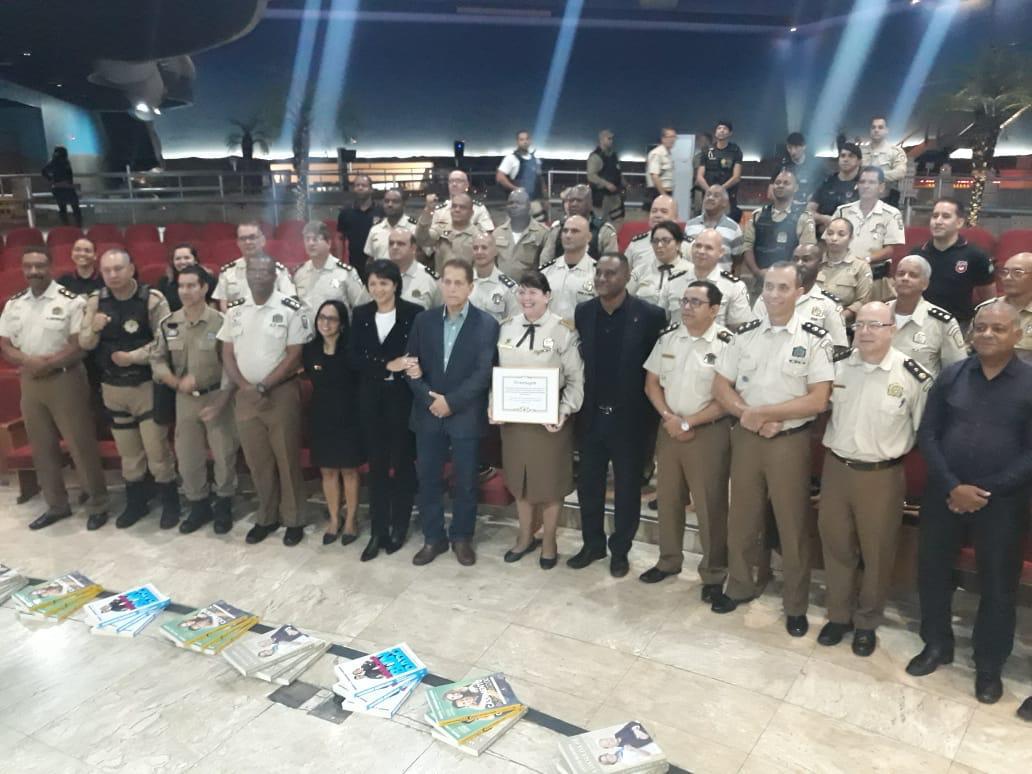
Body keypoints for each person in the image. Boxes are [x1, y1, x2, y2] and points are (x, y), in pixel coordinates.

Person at [907, 300, 1032, 705]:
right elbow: (928, 434)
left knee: (998, 587)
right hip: (945, 494)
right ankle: (937, 645)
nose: (987, 335)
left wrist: (986, 492)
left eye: (998, 329)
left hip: (1004, 503)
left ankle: (989, 666)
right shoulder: (952, 375)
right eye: (981, 328)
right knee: (933, 573)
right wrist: (952, 485)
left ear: (1017, 334)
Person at [710, 261, 834, 637]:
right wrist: (748, 414)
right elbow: (721, 386)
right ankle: (741, 585)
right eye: (769, 287)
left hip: (789, 443)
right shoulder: (743, 335)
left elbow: (817, 401)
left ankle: (795, 604)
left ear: (799, 293)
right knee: (742, 518)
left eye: (783, 288)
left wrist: (764, 412)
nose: (775, 294)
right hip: (747, 439)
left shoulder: (815, 339)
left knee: (792, 524)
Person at [817, 302, 931, 657]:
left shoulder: (913, 377)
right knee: (836, 547)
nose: (865, 332)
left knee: (877, 553)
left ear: (892, 329)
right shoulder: (836, 368)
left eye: (875, 325)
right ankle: (838, 615)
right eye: (860, 325)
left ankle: (866, 622)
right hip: (836, 469)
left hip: (881, 476)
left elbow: (924, 432)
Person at [569, 253, 666, 577]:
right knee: (589, 486)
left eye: (610, 274)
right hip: (593, 416)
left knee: (627, 490)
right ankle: (592, 544)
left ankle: (620, 550)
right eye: (598, 273)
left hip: (631, 421)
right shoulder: (584, 313)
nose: (602, 279)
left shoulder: (650, 316)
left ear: (626, 277)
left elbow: (656, 370)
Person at [0, 246, 109, 530]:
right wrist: (29, 362)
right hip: (30, 383)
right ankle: (57, 505)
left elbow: (78, 345)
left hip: (66, 380)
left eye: (39, 266)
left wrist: (46, 363)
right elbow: (4, 344)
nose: (34, 272)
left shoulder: (70, 301)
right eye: (28, 266)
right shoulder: (14, 304)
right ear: (23, 269)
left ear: (51, 267)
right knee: (42, 447)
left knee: (80, 444)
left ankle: (97, 503)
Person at [404, 259, 499, 567]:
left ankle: (461, 537)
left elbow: (483, 373)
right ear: (440, 284)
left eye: (459, 282)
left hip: (464, 413)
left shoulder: (486, 324)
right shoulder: (424, 320)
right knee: (428, 478)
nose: (452, 288)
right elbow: (411, 365)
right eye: (447, 281)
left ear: (471, 287)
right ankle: (434, 538)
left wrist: (451, 402)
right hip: (428, 410)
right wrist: (430, 398)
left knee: (466, 481)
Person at [640, 280, 732, 597]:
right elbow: (651, 383)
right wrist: (669, 417)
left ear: (715, 309)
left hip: (707, 433)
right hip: (669, 430)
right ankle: (668, 560)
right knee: (667, 499)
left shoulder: (727, 344)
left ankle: (713, 573)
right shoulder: (669, 339)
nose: (687, 307)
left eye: (695, 302)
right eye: (685, 301)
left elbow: (729, 398)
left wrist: (689, 422)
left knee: (709, 505)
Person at [79, 248, 178, 529]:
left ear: (131, 269)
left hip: (146, 385)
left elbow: (167, 339)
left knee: (157, 452)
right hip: (112, 387)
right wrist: (94, 327)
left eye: (118, 269)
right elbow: (85, 343)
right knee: (129, 454)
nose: (113, 275)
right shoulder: (96, 301)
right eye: (107, 270)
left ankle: (171, 504)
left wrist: (132, 357)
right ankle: (136, 504)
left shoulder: (152, 299)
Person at [218, 254, 312, 546]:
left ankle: (294, 519)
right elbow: (227, 353)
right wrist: (245, 386)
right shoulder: (234, 310)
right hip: (245, 396)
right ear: (246, 274)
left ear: (275, 275)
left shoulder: (290, 308)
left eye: (264, 271)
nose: (258, 275)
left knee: (286, 458)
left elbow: (295, 353)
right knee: (258, 462)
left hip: (280, 393)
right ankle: (266, 517)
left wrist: (264, 385)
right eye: (253, 270)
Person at [495, 270, 584, 569]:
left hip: (550, 424)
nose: (526, 297)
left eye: (533, 292)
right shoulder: (506, 328)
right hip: (515, 424)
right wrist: (494, 406)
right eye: (522, 291)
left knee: (549, 485)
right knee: (520, 483)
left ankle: (549, 541)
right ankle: (524, 536)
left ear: (548, 296)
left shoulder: (562, 330)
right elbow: (498, 376)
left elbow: (575, 380)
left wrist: (563, 411)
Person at [150, 266, 239, 534]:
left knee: (224, 454)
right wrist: (176, 382)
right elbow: (157, 360)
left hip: (217, 396)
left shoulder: (221, 322)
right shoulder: (169, 323)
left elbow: (230, 364)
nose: (185, 291)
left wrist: (222, 399)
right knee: (188, 457)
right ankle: (198, 505)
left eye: (191, 286)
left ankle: (223, 505)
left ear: (204, 288)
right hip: (184, 399)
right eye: (181, 286)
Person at [349, 260, 422, 560]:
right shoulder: (361, 314)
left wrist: (403, 366)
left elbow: (418, 353)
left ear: (395, 284)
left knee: (402, 463)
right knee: (377, 465)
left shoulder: (414, 313)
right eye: (373, 283)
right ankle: (377, 530)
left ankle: (399, 526)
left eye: (384, 283)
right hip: (371, 398)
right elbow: (353, 357)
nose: (378, 289)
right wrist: (385, 365)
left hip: (402, 398)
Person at [302, 300, 364, 547]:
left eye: (331, 319)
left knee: (348, 470)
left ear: (341, 324)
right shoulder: (310, 349)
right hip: (321, 415)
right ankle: (334, 519)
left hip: (349, 416)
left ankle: (351, 520)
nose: (325, 323)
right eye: (321, 318)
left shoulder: (351, 349)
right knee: (327, 470)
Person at [911, 197, 996, 329]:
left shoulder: (976, 255)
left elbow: (989, 300)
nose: (938, 221)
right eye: (935, 216)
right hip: (920, 323)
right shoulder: (917, 254)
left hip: (958, 325)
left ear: (959, 222)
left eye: (945, 216)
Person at [753, 244, 849, 350]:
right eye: (795, 259)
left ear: (820, 265)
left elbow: (838, 347)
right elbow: (751, 337)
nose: (799, 264)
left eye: (806, 259)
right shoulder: (769, 298)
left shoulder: (829, 305)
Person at [832, 166, 905, 302]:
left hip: (874, 277)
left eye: (871, 182)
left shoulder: (891, 214)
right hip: (841, 275)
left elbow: (891, 249)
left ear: (881, 187)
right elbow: (829, 241)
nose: (866, 186)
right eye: (862, 182)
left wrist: (865, 260)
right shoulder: (842, 211)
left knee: (873, 319)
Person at [889, 255, 967, 375]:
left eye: (913, 275)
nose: (905, 278)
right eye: (901, 274)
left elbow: (956, 371)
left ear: (925, 284)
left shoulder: (942, 322)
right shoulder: (877, 314)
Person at [666, 228, 754, 329]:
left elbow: (739, 329)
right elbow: (661, 319)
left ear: (721, 252)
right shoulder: (673, 282)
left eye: (708, 248)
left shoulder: (734, 287)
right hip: (677, 343)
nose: (701, 251)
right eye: (697, 246)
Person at [742, 168, 816, 285]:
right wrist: (757, 272)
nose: (780, 185)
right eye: (777, 183)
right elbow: (747, 247)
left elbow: (806, 254)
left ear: (796, 188)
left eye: (786, 183)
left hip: (790, 282)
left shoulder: (804, 218)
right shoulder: (758, 215)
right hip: (760, 281)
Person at [212, 221, 296, 311]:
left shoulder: (278, 271)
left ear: (262, 240)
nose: (248, 242)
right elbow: (224, 306)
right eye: (243, 239)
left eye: (252, 237)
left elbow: (289, 303)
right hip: (238, 322)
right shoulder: (227, 272)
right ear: (238, 243)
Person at [292, 220, 369, 317]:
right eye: (307, 239)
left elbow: (362, 307)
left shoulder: (345, 273)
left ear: (328, 243)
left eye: (315, 239)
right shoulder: (300, 273)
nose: (310, 243)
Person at [816, 217, 873, 325]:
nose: (834, 238)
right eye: (830, 233)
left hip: (843, 324)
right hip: (813, 320)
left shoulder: (861, 267)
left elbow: (862, 301)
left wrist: (839, 317)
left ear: (850, 238)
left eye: (841, 234)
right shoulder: (815, 263)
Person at [978, 251, 1032, 364]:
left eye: (1017, 273)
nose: (1007, 278)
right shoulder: (986, 309)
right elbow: (970, 349)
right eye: (1004, 272)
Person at [540, 215, 597, 319]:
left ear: (588, 237)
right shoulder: (545, 272)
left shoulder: (598, 273)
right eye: (565, 231)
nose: (568, 235)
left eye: (575, 231)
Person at [540, 185, 618, 261]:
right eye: (571, 200)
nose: (574, 204)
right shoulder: (557, 228)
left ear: (590, 204)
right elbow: (545, 260)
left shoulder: (604, 230)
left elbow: (611, 264)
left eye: (579, 200)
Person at [627, 220, 692, 311]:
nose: (659, 245)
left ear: (678, 244)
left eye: (666, 240)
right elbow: (624, 298)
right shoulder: (641, 270)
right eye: (655, 241)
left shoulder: (690, 271)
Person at [416, 192, 483, 273]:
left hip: (465, 283)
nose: (457, 210)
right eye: (454, 206)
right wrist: (428, 210)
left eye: (462, 207)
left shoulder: (478, 237)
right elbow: (421, 239)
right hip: (442, 283)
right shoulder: (441, 228)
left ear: (471, 213)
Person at [682, 186, 744, 272]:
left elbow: (738, 261)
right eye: (708, 195)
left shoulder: (734, 228)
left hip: (721, 282)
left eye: (716, 196)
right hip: (692, 280)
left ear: (725, 203)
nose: (710, 198)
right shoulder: (690, 225)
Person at [493, 188, 549, 281]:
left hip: (528, 290)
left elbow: (546, 267)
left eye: (518, 203)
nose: (514, 206)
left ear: (528, 206)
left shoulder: (542, 233)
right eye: (510, 203)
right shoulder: (498, 233)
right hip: (501, 289)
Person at [696, 121, 744, 221]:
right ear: (715, 132)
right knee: (706, 223)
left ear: (730, 133)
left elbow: (736, 177)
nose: (721, 131)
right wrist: (710, 191)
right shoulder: (707, 150)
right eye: (719, 128)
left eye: (725, 129)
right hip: (708, 194)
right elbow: (700, 176)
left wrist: (720, 190)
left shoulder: (735, 150)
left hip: (727, 195)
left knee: (726, 223)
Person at [625, 195, 687, 271]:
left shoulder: (687, 245)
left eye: (664, 211)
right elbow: (624, 274)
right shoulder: (636, 244)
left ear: (676, 218)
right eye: (654, 211)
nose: (657, 215)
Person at [809, 143, 862, 231]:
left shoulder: (864, 184)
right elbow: (809, 211)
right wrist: (824, 219)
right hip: (821, 234)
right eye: (842, 156)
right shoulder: (828, 182)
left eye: (851, 156)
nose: (846, 159)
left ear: (859, 161)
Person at [496, 130, 547, 220]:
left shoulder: (535, 160)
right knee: (516, 230)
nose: (525, 142)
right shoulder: (511, 158)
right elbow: (500, 177)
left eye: (527, 139)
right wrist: (515, 188)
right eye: (522, 139)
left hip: (535, 203)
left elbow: (540, 180)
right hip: (517, 203)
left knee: (539, 230)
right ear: (517, 142)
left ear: (530, 141)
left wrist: (545, 199)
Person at [469, 232, 519, 323]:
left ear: (495, 251)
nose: (479, 252)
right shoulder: (462, 283)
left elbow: (515, 322)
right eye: (475, 248)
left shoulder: (508, 287)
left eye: (484, 247)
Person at [388, 227, 441, 310]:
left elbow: (441, 314)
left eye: (400, 244)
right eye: (391, 243)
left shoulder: (430, 279)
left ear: (413, 248)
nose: (394, 247)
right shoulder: (377, 275)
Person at [861, 116, 908, 207]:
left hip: (887, 199)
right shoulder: (861, 151)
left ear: (886, 130)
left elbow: (900, 172)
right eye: (873, 127)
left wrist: (877, 176)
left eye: (880, 127)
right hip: (862, 198)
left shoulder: (895, 151)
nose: (876, 130)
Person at [363, 187, 417, 265]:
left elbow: (423, 258)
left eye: (395, 201)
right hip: (380, 275)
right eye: (386, 201)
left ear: (404, 203)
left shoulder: (414, 228)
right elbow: (370, 259)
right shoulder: (375, 229)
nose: (390, 205)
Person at [430, 169, 495, 233]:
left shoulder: (479, 209)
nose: (454, 184)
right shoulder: (440, 211)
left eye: (458, 181)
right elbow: (431, 236)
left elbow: (488, 233)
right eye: (451, 181)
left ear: (467, 185)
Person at [337, 173, 382, 263]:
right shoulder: (346, 211)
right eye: (357, 185)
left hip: (378, 262)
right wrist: (340, 260)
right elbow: (340, 238)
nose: (360, 188)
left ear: (371, 189)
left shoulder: (381, 210)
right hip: (354, 262)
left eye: (364, 185)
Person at [156, 243, 214, 312]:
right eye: (178, 259)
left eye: (187, 258)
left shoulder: (208, 280)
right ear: (173, 262)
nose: (182, 262)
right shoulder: (164, 283)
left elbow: (213, 308)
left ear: (195, 260)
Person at [773, 132, 822, 208]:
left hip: (810, 208)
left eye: (796, 147)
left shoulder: (815, 166)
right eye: (790, 148)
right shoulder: (781, 166)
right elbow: (770, 193)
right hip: (787, 208)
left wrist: (814, 199)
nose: (793, 151)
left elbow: (823, 189)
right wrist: (786, 202)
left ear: (804, 146)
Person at [586, 129, 624, 224]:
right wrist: (606, 184)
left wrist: (623, 182)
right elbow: (591, 175)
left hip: (614, 196)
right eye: (609, 138)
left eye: (612, 139)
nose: (611, 141)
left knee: (618, 220)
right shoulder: (596, 156)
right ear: (602, 140)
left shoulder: (613, 155)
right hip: (601, 197)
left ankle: (613, 237)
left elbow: (617, 171)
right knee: (600, 222)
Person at [41, 146, 82, 227]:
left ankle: (68, 225)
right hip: (64, 187)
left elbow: (44, 171)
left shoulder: (57, 162)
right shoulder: (60, 162)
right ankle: (76, 225)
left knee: (64, 207)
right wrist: (51, 179)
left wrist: (51, 179)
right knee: (73, 206)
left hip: (60, 187)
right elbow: (44, 171)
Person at [645, 128, 677, 207]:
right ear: (663, 139)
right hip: (658, 192)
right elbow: (654, 175)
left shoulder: (668, 154)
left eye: (674, 137)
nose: (672, 140)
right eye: (670, 137)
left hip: (667, 191)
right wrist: (663, 196)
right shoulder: (657, 153)